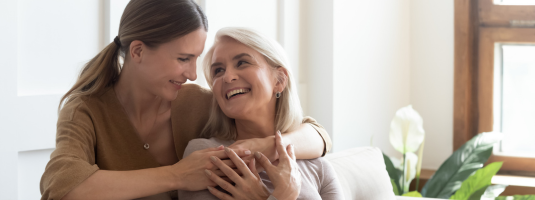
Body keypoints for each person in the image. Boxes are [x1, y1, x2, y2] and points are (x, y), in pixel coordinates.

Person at [39, 1, 332, 200]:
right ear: (138, 52)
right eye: (183, 59)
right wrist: (177, 176)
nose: (193, 74)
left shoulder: (196, 103)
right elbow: (60, 186)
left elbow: (317, 135)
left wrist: (261, 146)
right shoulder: (85, 110)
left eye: (197, 60)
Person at [178, 27, 344, 200]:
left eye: (242, 63)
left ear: (279, 80)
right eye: (218, 70)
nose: (227, 77)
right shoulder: (207, 156)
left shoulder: (316, 163)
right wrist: (282, 196)